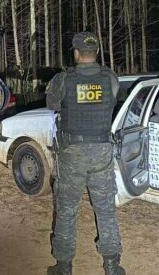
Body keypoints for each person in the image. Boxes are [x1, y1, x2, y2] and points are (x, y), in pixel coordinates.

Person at [46, 32, 125, 275]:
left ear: (76, 53)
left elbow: (51, 104)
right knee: (105, 209)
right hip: (101, 152)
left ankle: (63, 267)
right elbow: (114, 101)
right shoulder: (110, 77)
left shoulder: (64, 79)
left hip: (73, 155)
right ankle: (112, 266)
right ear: (97, 52)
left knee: (67, 210)